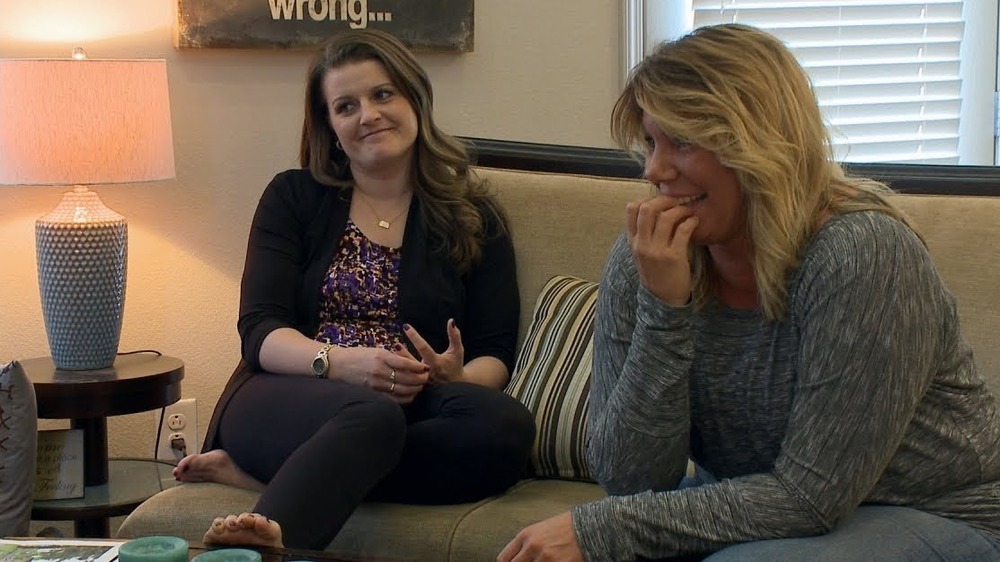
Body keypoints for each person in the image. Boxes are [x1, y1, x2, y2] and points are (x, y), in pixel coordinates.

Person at [499, 23, 1000, 562]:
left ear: (759, 143)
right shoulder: (643, 259)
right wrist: (665, 311)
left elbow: (812, 498)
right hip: (765, 508)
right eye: (651, 141)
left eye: (683, 141)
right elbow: (632, 479)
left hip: (937, 510)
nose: (655, 169)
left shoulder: (862, 254)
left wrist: (603, 531)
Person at [171, 29, 535, 550]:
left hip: (414, 400)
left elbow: (496, 351)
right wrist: (342, 363)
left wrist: (457, 375)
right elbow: (260, 331)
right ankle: (260, 548)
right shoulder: (293, 196)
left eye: (383, 94)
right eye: (346, 105)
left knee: (504, 427)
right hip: (288, 393)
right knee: (372, 415)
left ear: (414, 97)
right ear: (330, 126)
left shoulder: (474, 215)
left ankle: (265, 475)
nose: (368, 114)